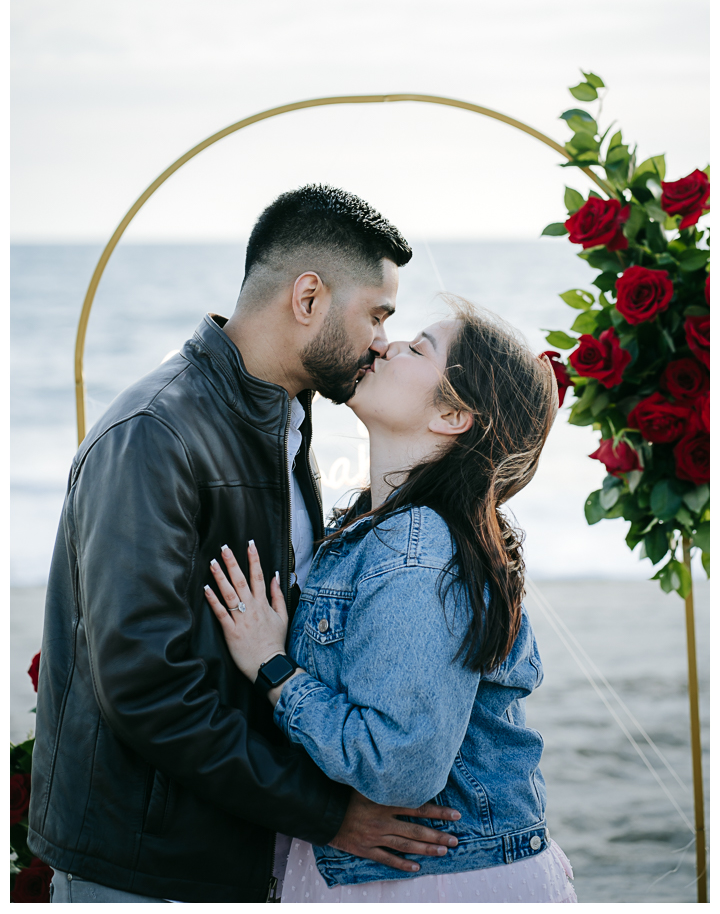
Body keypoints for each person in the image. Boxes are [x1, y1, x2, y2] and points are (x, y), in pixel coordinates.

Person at [28, 185, 463, 904]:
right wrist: (328, 815)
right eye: (377, 314)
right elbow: (145, 686)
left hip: (237, 850)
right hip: (146, 870)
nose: (384, 340)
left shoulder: (284, 424)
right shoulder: (154, 434)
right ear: (308, 298)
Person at [204, 301, 579, 903]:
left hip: (437, 882)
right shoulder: (375, 529)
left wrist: (273, 668)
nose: (385, 346)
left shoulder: (420, 546)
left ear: (453, 414)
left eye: (419, 347)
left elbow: (398, 766)